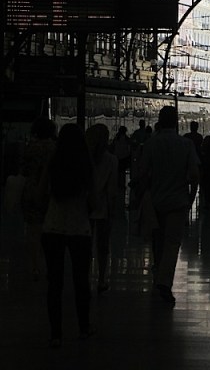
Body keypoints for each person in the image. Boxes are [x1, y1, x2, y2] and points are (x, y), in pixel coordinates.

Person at [41, 123, 96, 347]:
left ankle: (56, 334)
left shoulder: (53, 163)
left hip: (52, 228)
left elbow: (39, 194)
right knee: (81, 281)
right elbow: (93, 203)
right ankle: (83, 329)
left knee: (54, 283)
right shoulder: (86, 166)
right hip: (80, 229)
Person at [140, 106, 199, 304]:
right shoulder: (186, 145)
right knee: (172, 243)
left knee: (157, 242)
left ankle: (157, 279)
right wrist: (190, 199)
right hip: (177, 202)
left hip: (155, 201)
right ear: (176, 122)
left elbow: (142, 174)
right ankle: (165, 283)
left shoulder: (150, 144)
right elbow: (194, 175)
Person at [20, 117, 57, 280]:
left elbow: (23, 168)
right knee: (48, 228)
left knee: (32, 229)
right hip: (49, 191)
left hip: (30, 189)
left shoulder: (30, 147)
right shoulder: (53, 148)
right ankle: (45, 264)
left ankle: (33, 265)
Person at [85, 124, 119, 294]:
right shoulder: (112, 160)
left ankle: (84, 276)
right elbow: (112, 189)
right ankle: (102, 278)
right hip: (103, 206)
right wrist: (112, 209)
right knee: (103, 245)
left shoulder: (83, 159)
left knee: (85, 244)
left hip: (85, 206)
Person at [184, 121, 204, 206]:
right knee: (196, 180)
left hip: (187, 160)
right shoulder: (199, 137)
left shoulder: (186, 136)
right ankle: (192, 197)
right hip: (197, 159)